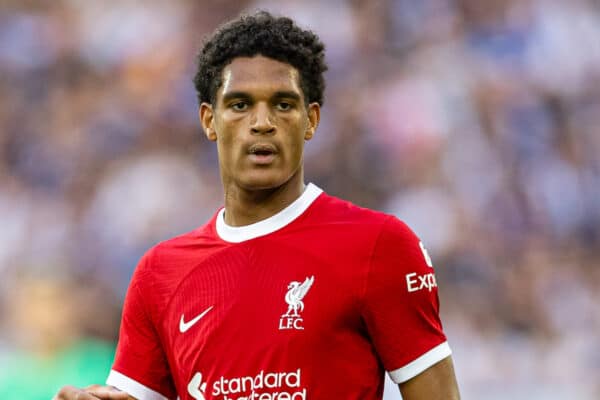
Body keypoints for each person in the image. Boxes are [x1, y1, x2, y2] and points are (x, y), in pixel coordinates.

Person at [55, 11, 460, 400]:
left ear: (311, 120)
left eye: (283, 104)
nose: (262, 122)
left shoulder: (380, 244)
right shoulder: (159, 274)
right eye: (239, 104)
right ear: (209, 120)